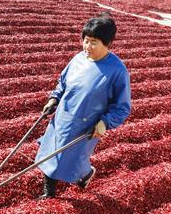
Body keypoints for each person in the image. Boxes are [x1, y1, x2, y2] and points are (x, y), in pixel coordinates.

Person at [35, 13, 131, 198]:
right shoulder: (78, 59)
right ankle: (49, 193)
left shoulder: (117, 70)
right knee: (51, 154)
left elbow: (122, 106)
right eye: (85, 40)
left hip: (86, 125)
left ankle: (86, 173)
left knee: (72, 161)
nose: (87, 46)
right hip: (63, 117)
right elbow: (62, 83)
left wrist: (105, 122)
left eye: (94, 42)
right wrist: (53, 99)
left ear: (108, 43)